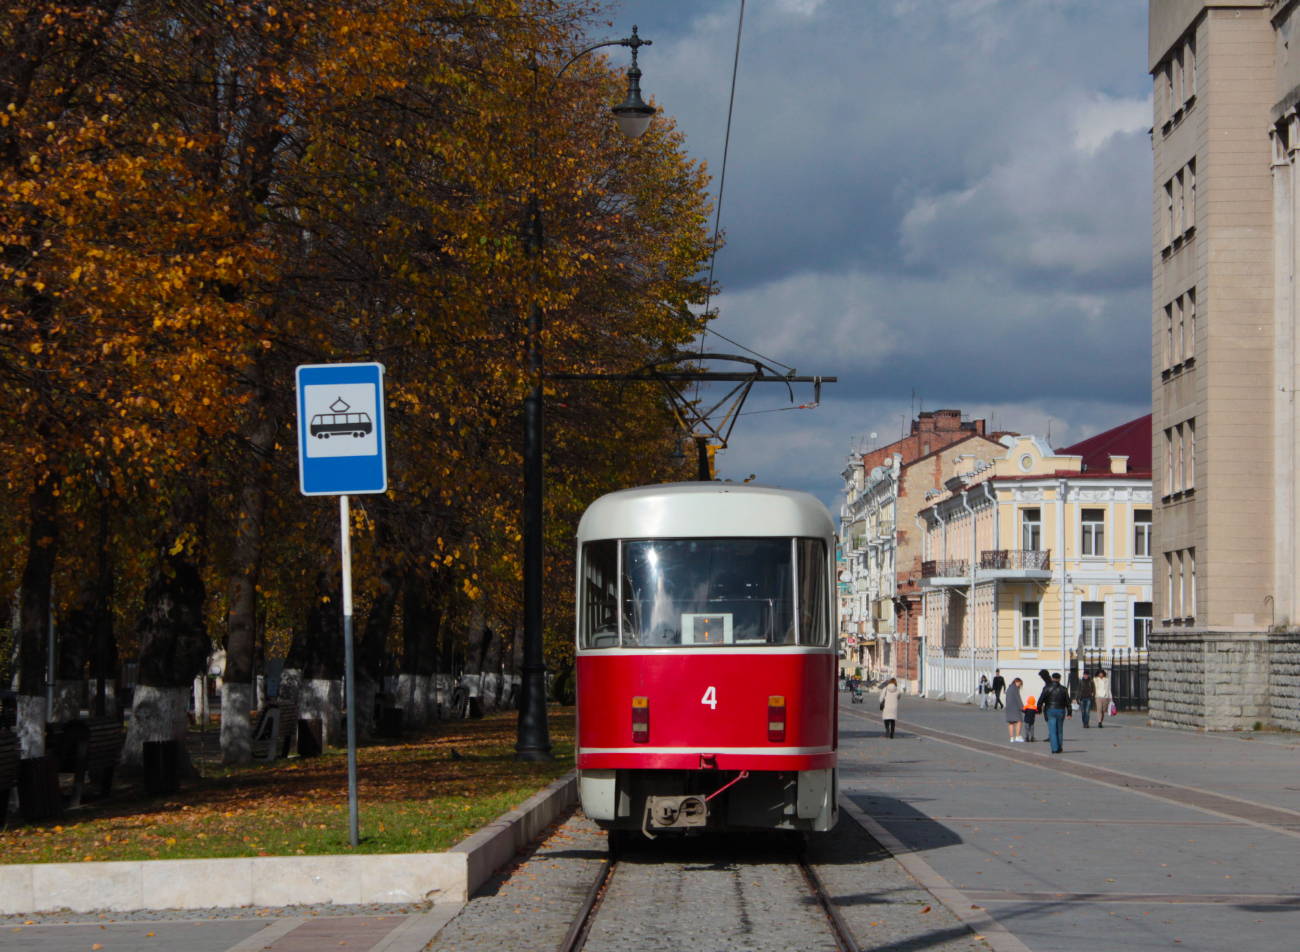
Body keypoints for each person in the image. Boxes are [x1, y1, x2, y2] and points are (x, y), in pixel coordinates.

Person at [1037, 672, 1072, 753]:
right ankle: (1059, 747)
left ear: (1052, 679)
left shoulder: (1046, 688)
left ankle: (1055, 748)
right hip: (1061, 710)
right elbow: (1068, 702)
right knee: (1059, 729)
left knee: (1052, 730)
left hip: (1050, 709)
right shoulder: (1063, 689)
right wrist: (1069, 713)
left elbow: (1041, 700)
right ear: (1060, 679)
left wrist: (1039, 710)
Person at [1003, 677, 1023, 742]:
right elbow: (1018, 699)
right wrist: (1022, 708)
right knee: (1019, 721)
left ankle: (1011, 738)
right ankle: (1017, 736)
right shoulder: (1015, 689)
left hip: (1009, 707)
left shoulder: (1009, 688)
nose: (1020, 685)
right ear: (1016, 682)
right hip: (1015, 707)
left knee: (1011, 722)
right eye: (1019, 684)